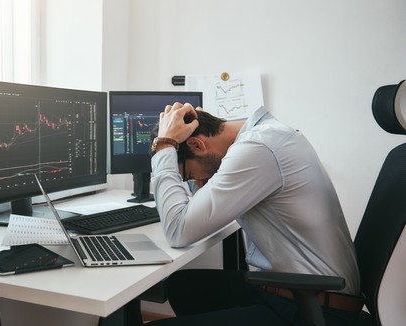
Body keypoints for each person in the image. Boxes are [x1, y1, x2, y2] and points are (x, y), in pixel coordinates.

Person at [146, 103, 361, 325]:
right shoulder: (262, 135)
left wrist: (165, 146)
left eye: (189, 176)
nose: (197, 184)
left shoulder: (258, 149)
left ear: (197, 145)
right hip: (295, 290)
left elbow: (178, 231)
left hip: (314, 309)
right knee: (183, 287)